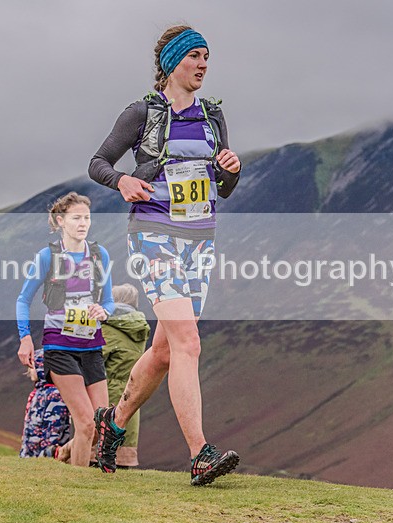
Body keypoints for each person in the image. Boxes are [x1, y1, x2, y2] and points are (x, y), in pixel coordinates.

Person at [89, 25, 242, 485]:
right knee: (188, 343)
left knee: (163, 351)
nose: (203, 65)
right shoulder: (142, 113)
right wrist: (123, 181)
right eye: (195, 56)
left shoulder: (213, 117)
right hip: (154, 235)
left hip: (200, 240)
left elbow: (224, 188)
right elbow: (98, 163)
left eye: (207, 58)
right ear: (174, 62)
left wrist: (230, 171)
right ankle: (200, 454)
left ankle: (111, 424)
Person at [16, 192, 115, 467]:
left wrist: (104, 311)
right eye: (76, 218)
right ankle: (78, 487)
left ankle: (65, 454)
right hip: (60, 345)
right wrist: (25, 338)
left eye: (87, 218)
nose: (83, 223)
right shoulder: (47, 256)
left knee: (101, 424)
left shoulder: (99, 255)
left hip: (92, 344)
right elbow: (23, 300)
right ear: (61, 221)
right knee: (84, 423)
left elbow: (108, 300)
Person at [101, 284, 151, 467]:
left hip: (107, 390)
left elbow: (96, 358)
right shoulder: (139, 328)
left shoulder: (109, 329)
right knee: (125, 439)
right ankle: (124, 459)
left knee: (101, 435)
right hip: (132, 392)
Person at [19, 349, 72, 459]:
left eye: (33, 366)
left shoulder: (55, 395)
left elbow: (54, 426)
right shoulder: (39, 392)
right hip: (31, 451)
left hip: (44, 453)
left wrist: (47, 452)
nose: (30, 370)